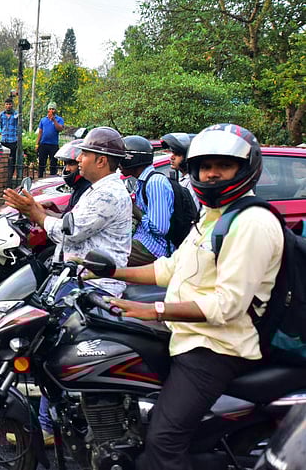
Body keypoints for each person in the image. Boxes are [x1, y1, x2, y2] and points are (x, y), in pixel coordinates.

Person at [103, 124, 283, 470]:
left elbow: (227, 306)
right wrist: (109, 272)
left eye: (223, 166)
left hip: (216, 348)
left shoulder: (252, 223)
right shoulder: (215, 216)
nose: (211, 173)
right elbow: (170, 269)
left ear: (245, 169)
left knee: (162, 443)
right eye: (204, 166)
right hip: (188, 337)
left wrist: (152, 309)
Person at [5, 126, 133, 445]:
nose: (80, 159)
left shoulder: (106, 192)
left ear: (101, 161)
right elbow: (74, 223)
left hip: (94, 287)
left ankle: (48, 427)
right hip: (77, 281)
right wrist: (48, 213)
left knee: (56, 352)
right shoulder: (98, 188)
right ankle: (49, 422)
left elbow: (70, 232)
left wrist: (35, 211)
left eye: (85, 154)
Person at [121, 135, 174, 265]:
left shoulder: (155, 182)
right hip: (142, 240)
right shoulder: (142, 182)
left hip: (154, 248)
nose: (118, 164)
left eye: (122, 158)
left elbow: (160, 228)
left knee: (106, 250)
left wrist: (133, 207)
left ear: (133, 159)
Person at [161, 132, 200, 212]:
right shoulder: (183, 179)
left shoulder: (194, 182)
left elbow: (191, 212)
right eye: (172, 153)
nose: (172, 157)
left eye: (177, 154)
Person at [55, 139, 92, 212]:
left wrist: (37, 213)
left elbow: (70, 222)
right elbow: (69, 213)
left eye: (71, 164)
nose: (67, 169)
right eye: (66, 164)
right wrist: (53, 207)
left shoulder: (87, 189)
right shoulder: (79, 187)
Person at [36, 101, 64, 177]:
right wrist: (37, 144)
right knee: (42, 162)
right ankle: (40, 176)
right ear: (48, 109)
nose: (51, 110)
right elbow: (40, 132)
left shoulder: (59, 119)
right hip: (43, 144)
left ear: (55, 110)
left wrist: (54, 120)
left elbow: (60, 129)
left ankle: (52, 177)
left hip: (53, 144)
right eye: (50, 109)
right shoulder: (43, 120)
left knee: (53, 163)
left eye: (53, 109)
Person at [0, 97, 20, 182]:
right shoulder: (1, 115)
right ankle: (3, 176)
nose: (8, 106)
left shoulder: (16, 114)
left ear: (12, 105)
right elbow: (1, 126)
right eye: (7, 104)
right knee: (3, 158)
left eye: (10, 104)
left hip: (13, 140)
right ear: (5, 105)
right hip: (4, 140)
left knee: (12, 160)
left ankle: (10, 177)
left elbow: (18, 126)